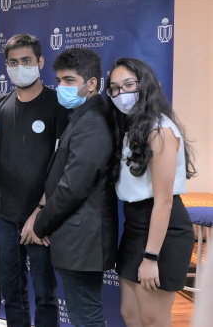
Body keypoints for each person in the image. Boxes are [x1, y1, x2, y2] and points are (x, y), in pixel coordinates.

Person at [0, 33, 68, 327]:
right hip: (6, 216)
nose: (20, 66)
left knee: (45, 295)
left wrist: (42, 212)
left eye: (26, 60)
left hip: (43, 215)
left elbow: (64, 163)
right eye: (13, 62)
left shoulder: (57, 104)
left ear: (40, 62)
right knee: (12, 292)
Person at [106, 57, 196, 327]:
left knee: (153, 319)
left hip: (164, 231)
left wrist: (151, 256)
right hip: (135, 226)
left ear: (144, 85)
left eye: (129, 85)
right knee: (130, 314)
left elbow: (164, 201)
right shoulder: (130, 127)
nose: (122, 94)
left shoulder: (160, 129)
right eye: (115, 88)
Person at [33, 48, 119, 326]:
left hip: (82, 238)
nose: (61, 87)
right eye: (58, 81)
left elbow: (73, 187)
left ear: (91, 83)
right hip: (75, 236)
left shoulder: (93, 122)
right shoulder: (83, 116)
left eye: (69, 81)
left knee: (86, 316)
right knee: (83, 313)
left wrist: (40, 224)